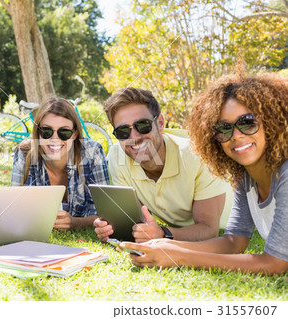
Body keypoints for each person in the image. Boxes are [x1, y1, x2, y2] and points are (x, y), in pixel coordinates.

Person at [121, 72, 288, 275]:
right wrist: (168, 246)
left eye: (248, 122)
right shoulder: (245, 177)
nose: (236, 136)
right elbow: (234, 242)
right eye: (224, 129)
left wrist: (179, 257)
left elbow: (275, 264)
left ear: (272, 122)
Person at [94, 87, 233, 242]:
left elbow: (208, 229)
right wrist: (110, 227)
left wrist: (163, 233)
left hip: (228, 226)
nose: (134, 137)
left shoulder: (198, 156)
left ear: (160, 123)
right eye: (122, 131)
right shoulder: (117, 155)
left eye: (143, 125)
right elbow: (137, 222)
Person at [11, 97, 110, 230]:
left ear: (74, 134)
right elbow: (14, 209)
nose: (54, 139)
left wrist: (75, 223)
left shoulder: (92, 152)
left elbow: (103, 214)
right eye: (47, 131)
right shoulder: (24, 152)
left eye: (64, 132)